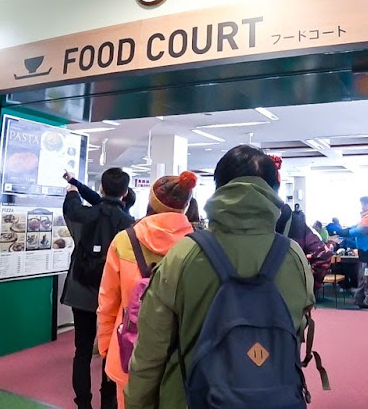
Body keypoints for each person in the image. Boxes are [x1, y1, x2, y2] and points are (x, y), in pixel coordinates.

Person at [125, 145, 316, 409]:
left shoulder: (184, 254)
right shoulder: (294, 257)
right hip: (277, 398)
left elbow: (150, 354)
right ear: (275, 193)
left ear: (219, 189)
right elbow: (297, 332)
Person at [96, 171, 197, 409]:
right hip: (181, 357)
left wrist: (106, 348)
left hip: (128, 352)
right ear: (185, 206)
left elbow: (108, 301)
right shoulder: (198, 245)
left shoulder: (124, 240)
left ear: (151, 202)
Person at [62, 168, 135, 409]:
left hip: (81, 290)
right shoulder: (129, 224)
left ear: (101, 188)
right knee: (109, 350)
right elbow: (106, 206)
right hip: (112, 296)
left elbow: (79, 207)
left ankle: (83, 404)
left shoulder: (81, 214)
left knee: (82, 351)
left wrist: (73, 188)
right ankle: (108, 402)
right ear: (125, 193)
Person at [340, 196, 368, 308]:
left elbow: (359, 231)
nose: (362, 207)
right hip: (366, 251)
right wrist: (348, 229)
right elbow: (357, 227)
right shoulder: (367, 217)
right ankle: (360, 299)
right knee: (363, 276)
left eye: (363, 204)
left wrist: (346, 232)